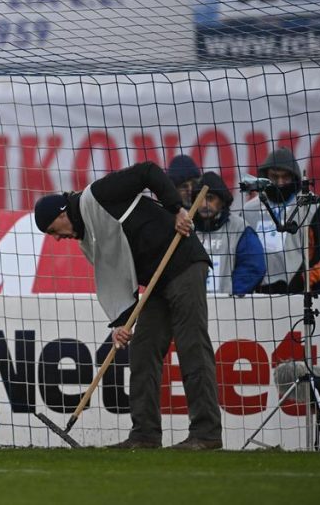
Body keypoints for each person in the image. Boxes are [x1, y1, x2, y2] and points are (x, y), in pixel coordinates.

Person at [35, 161, 222, 450]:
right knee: (143, 353)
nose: (58, 238)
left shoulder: (99, 194)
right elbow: (116, 279)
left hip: (183, 262)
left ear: (62, 213)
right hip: (155, 283)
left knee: (192, 348)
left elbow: (148, 171)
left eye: (53, 230)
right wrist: (122, 323)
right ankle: (145, 435)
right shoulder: (89, 239)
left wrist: (177, 209)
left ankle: (206, 433)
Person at [241, 147, 320, 293]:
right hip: (258, 292)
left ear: (295, 178)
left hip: (303, 291)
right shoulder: (249, 210)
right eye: (274, 177)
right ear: (265, 176)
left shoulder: (312, 205)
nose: (280, 182)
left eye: (285, 177)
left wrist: (304, 279)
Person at [193, 171, 267, 295]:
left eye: (210, 198)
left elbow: (253, 267)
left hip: (229, 306)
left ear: (222, 201)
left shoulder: (239, 228)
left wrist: (231, 294)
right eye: (199, 199)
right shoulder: (187, 228)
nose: (204, 204)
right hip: (193, 305)